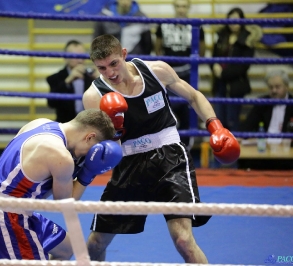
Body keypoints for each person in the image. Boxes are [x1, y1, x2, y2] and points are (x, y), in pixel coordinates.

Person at [82, 34, 240, 263]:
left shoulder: (156, 70)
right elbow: (112, 155)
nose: (110, 73)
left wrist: (215, 126)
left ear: (124, 54)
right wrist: (115, 129)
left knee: (184, 241)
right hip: (129, 164)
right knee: (96, 243)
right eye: (102, 68)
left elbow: (194, 97)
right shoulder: (94, 96)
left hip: (170, 158)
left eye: (114, 63)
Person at [0, 108, 123, 261]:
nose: (87, 156)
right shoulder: (61, 156)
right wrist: (88, 173)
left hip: (9, 208)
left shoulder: (39, 123)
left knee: (66, 248)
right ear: (89, 137)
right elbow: (64, 204)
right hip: (6, 216)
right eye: (91, 151)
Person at [154, 0, 206, 149]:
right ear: (174, 7)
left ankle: (185, 148)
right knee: (164, 108)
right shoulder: (163, 25)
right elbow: (158, 49)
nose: (181, 10)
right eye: (178, 6)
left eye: (184, 6)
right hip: (167, 74)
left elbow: (201, 52)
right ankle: (166, 146)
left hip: (188, 73)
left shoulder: (195, 26)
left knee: (187, 108)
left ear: (188, 7)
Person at [239, 69, 293, 169]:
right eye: (271, 87)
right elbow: (247, 125)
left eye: (277, 87)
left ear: (287, 87)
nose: (274, 90)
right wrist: (240, 137)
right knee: (244, 162)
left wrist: (292, 140)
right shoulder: (262, 103)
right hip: (264, 150)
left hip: (287, 153)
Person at [211, 7, 262, 131]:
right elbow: (213, 57)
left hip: (236, 85)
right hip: (220, 84)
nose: (233, 23)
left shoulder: (247, 39)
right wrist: (214, 66)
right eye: (231, 19)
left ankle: (234, 149)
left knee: (232, 119)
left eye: (237, 19)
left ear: (242, 21)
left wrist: (223, 74)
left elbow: (244, 66)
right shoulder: (222, 36)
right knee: (219, 120)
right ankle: (221, 149)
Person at [47, 40, 99, 123]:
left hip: (89, 124)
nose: (80, 60)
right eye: (75, 56)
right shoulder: (56, 78)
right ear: (65, 57)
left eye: (82, 56)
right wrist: (67, 81)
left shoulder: (91, 76)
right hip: (65, 124)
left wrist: (102, 79)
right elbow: (51, 103)